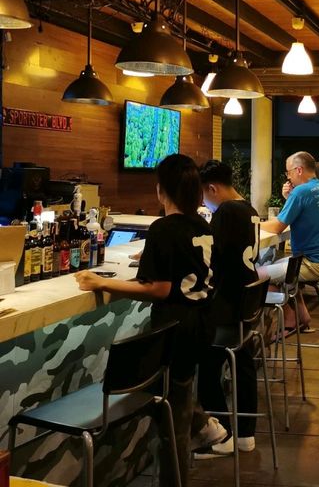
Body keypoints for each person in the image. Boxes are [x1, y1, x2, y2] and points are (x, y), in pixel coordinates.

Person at [75, 154, 225, 487]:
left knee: (173, 425)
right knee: (177, 401)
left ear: (161, 191)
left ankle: (194, 438)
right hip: (202, 325)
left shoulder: (163, 229)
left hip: (174, 331)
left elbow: (158, 288)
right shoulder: (203, 226)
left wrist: (101, 283)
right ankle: (203, 424)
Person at [194, 159, 260, 457]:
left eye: (203, 195)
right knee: (243, 364)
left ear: (211, 188)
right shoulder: (249, 209)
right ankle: (245, 434)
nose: (203, 201)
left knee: (206, 368)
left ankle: (222, 436)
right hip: (244, 306)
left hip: (225, 306)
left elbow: (208, 255)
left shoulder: (227, 212)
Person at [259, 151, 319, 328]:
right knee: (279, 263)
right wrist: (289, 198)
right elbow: (305, 213)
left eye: (288, 172)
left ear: (298, 170)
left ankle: (290, 319)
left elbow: (277, 226)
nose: (288, 177)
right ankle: (302, 317)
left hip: (314, 264)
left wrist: (253, 223)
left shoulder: (301, 192)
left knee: (258, 275)